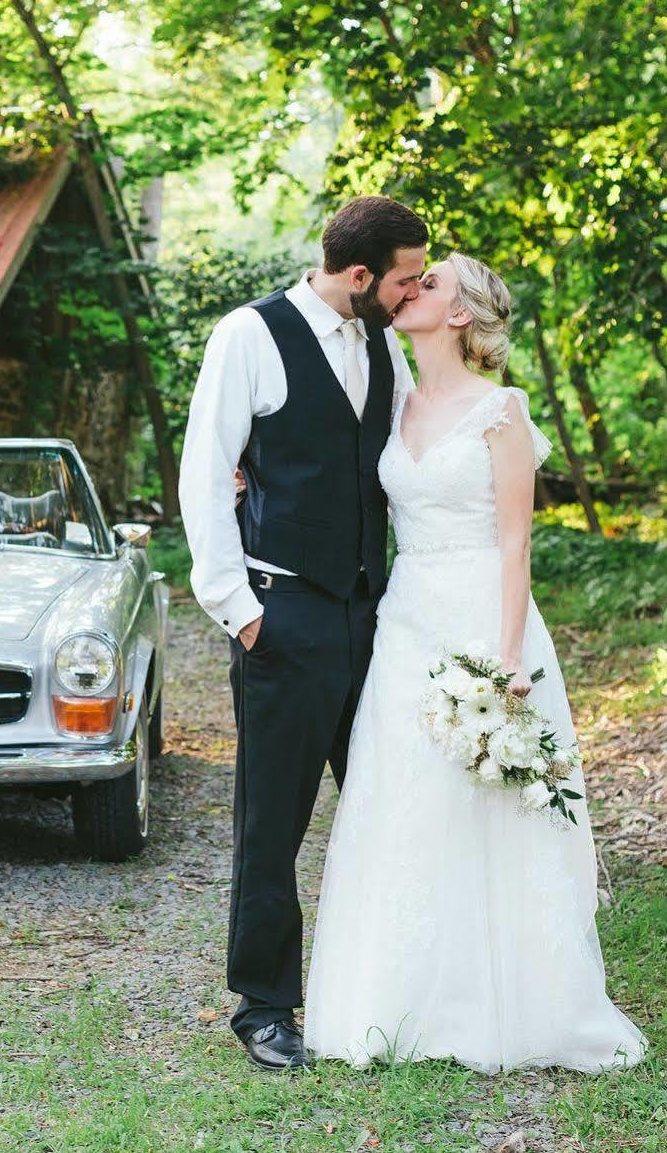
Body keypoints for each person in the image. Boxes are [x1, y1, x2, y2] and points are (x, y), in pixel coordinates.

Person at [304, 253, 646, 1073]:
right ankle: (395, 1003)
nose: (408, 289)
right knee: (401, 799)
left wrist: (505, 657)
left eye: (428, 285)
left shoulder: (501, 412)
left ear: (459, 316)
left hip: (483, 623)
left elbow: (514, 540)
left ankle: (513, 1004)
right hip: (406, 622)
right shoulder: (390, 397)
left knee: (490, 810)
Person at [176, 194, 427, 1071]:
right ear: (358, 276)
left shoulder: (385, 343)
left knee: (390, 808)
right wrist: (239, 610)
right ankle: (264, 1007)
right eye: (404, 279)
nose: (413, 292)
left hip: (377, 620)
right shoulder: (247, 336)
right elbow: (205, 472)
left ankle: (390, 988)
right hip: (282, 619)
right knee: (272, 820)